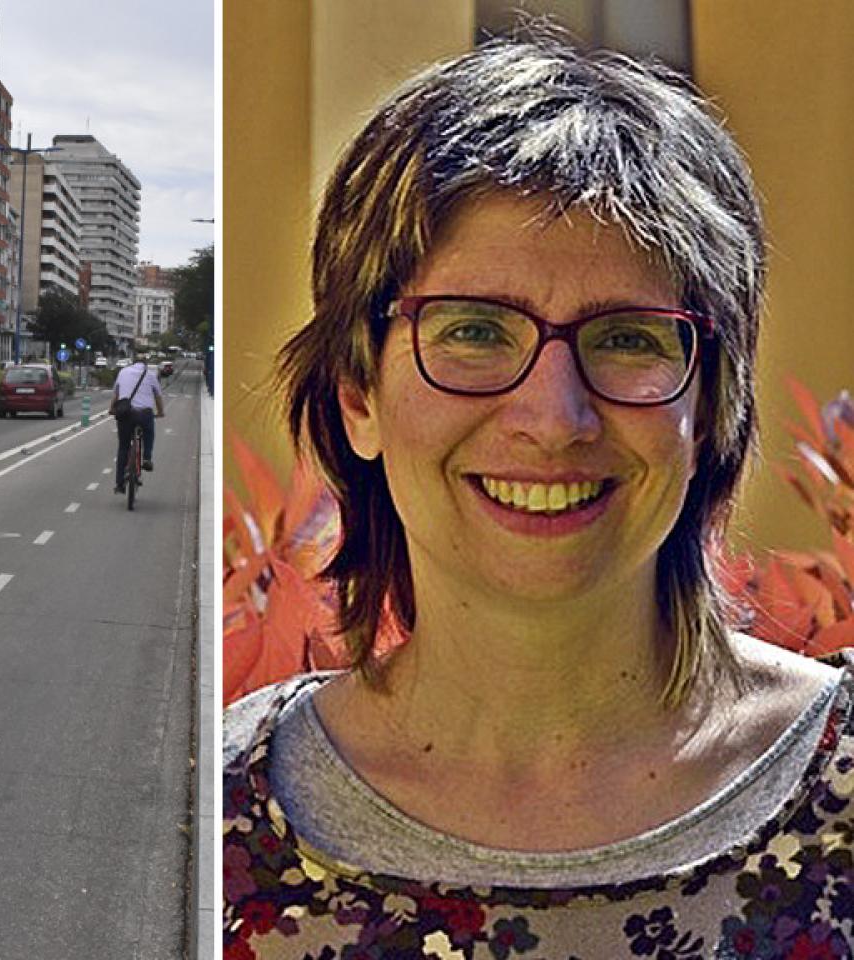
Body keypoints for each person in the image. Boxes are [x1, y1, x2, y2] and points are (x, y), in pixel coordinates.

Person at [224, 32, 854, 956]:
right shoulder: (219, 820)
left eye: (630, 339)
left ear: (712, 402)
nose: (555, 419)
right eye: (473, 330)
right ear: (359, 394)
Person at [111, 357, 164, 493]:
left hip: (126, 414)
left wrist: (112, 409)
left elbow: (116, 394)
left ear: (133, 363)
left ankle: (120, 483)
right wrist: (161, 412)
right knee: (149, 432)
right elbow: (158, 396)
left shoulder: (123, 372)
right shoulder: (150, 375)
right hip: (144, 414)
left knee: (123, 447)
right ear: (145, 365)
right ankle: (146, 457)